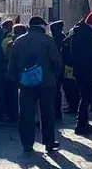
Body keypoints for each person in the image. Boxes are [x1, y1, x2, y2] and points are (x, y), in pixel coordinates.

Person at [8, 16, 63, 153]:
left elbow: (12, 64)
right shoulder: (48, 40)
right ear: (41, 26)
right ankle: (49, 142)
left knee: (26, 113)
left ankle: (27, 143)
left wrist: (16, 79)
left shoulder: (19, 41)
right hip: (46, 83)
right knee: (47, 112)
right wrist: (54, 77)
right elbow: (57, 61)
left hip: (25, 83)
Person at [66, 10, 92, 136]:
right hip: (84, 69)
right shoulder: (87, 34)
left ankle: (83, 122)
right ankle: (81, 125)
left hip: (81, 69)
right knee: (86, 97)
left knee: (86, 97)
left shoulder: (82, 31)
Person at [49, 20, 70, 120]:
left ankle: (56, 112)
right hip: (62, 67)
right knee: (59, 90)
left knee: (56, 90)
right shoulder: (63, 37)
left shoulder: (55, 39)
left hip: (57, 67)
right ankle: (57, 112)